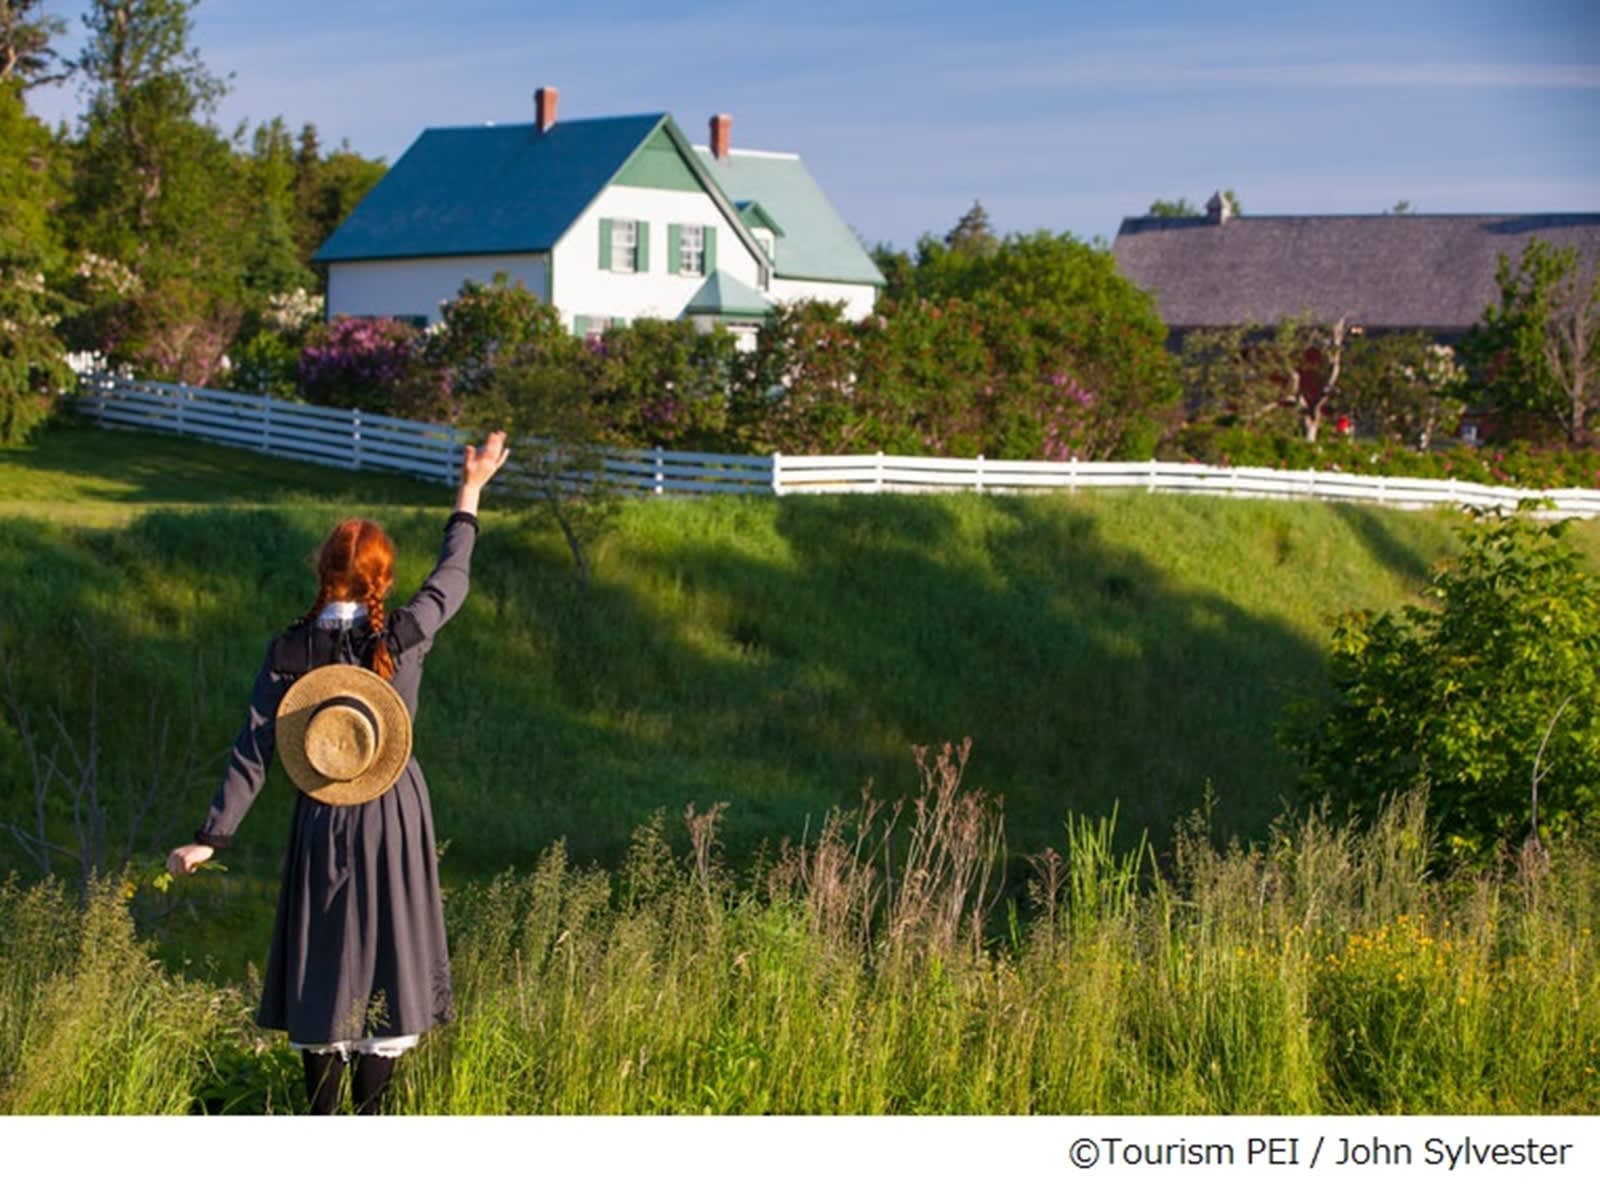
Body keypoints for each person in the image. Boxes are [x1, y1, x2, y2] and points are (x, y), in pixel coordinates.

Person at [166, 431, 511, 1115]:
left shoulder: (289, 647)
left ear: (322, 571)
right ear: (382, 579)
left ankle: (321, 1128)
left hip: (320, 810)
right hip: (393, 810)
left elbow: (254, 744)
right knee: (387, 956)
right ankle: (369, 1124)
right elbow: (454, 577)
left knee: (326, 961)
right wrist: (470, 490)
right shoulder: (402, 634)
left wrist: (213, 835)